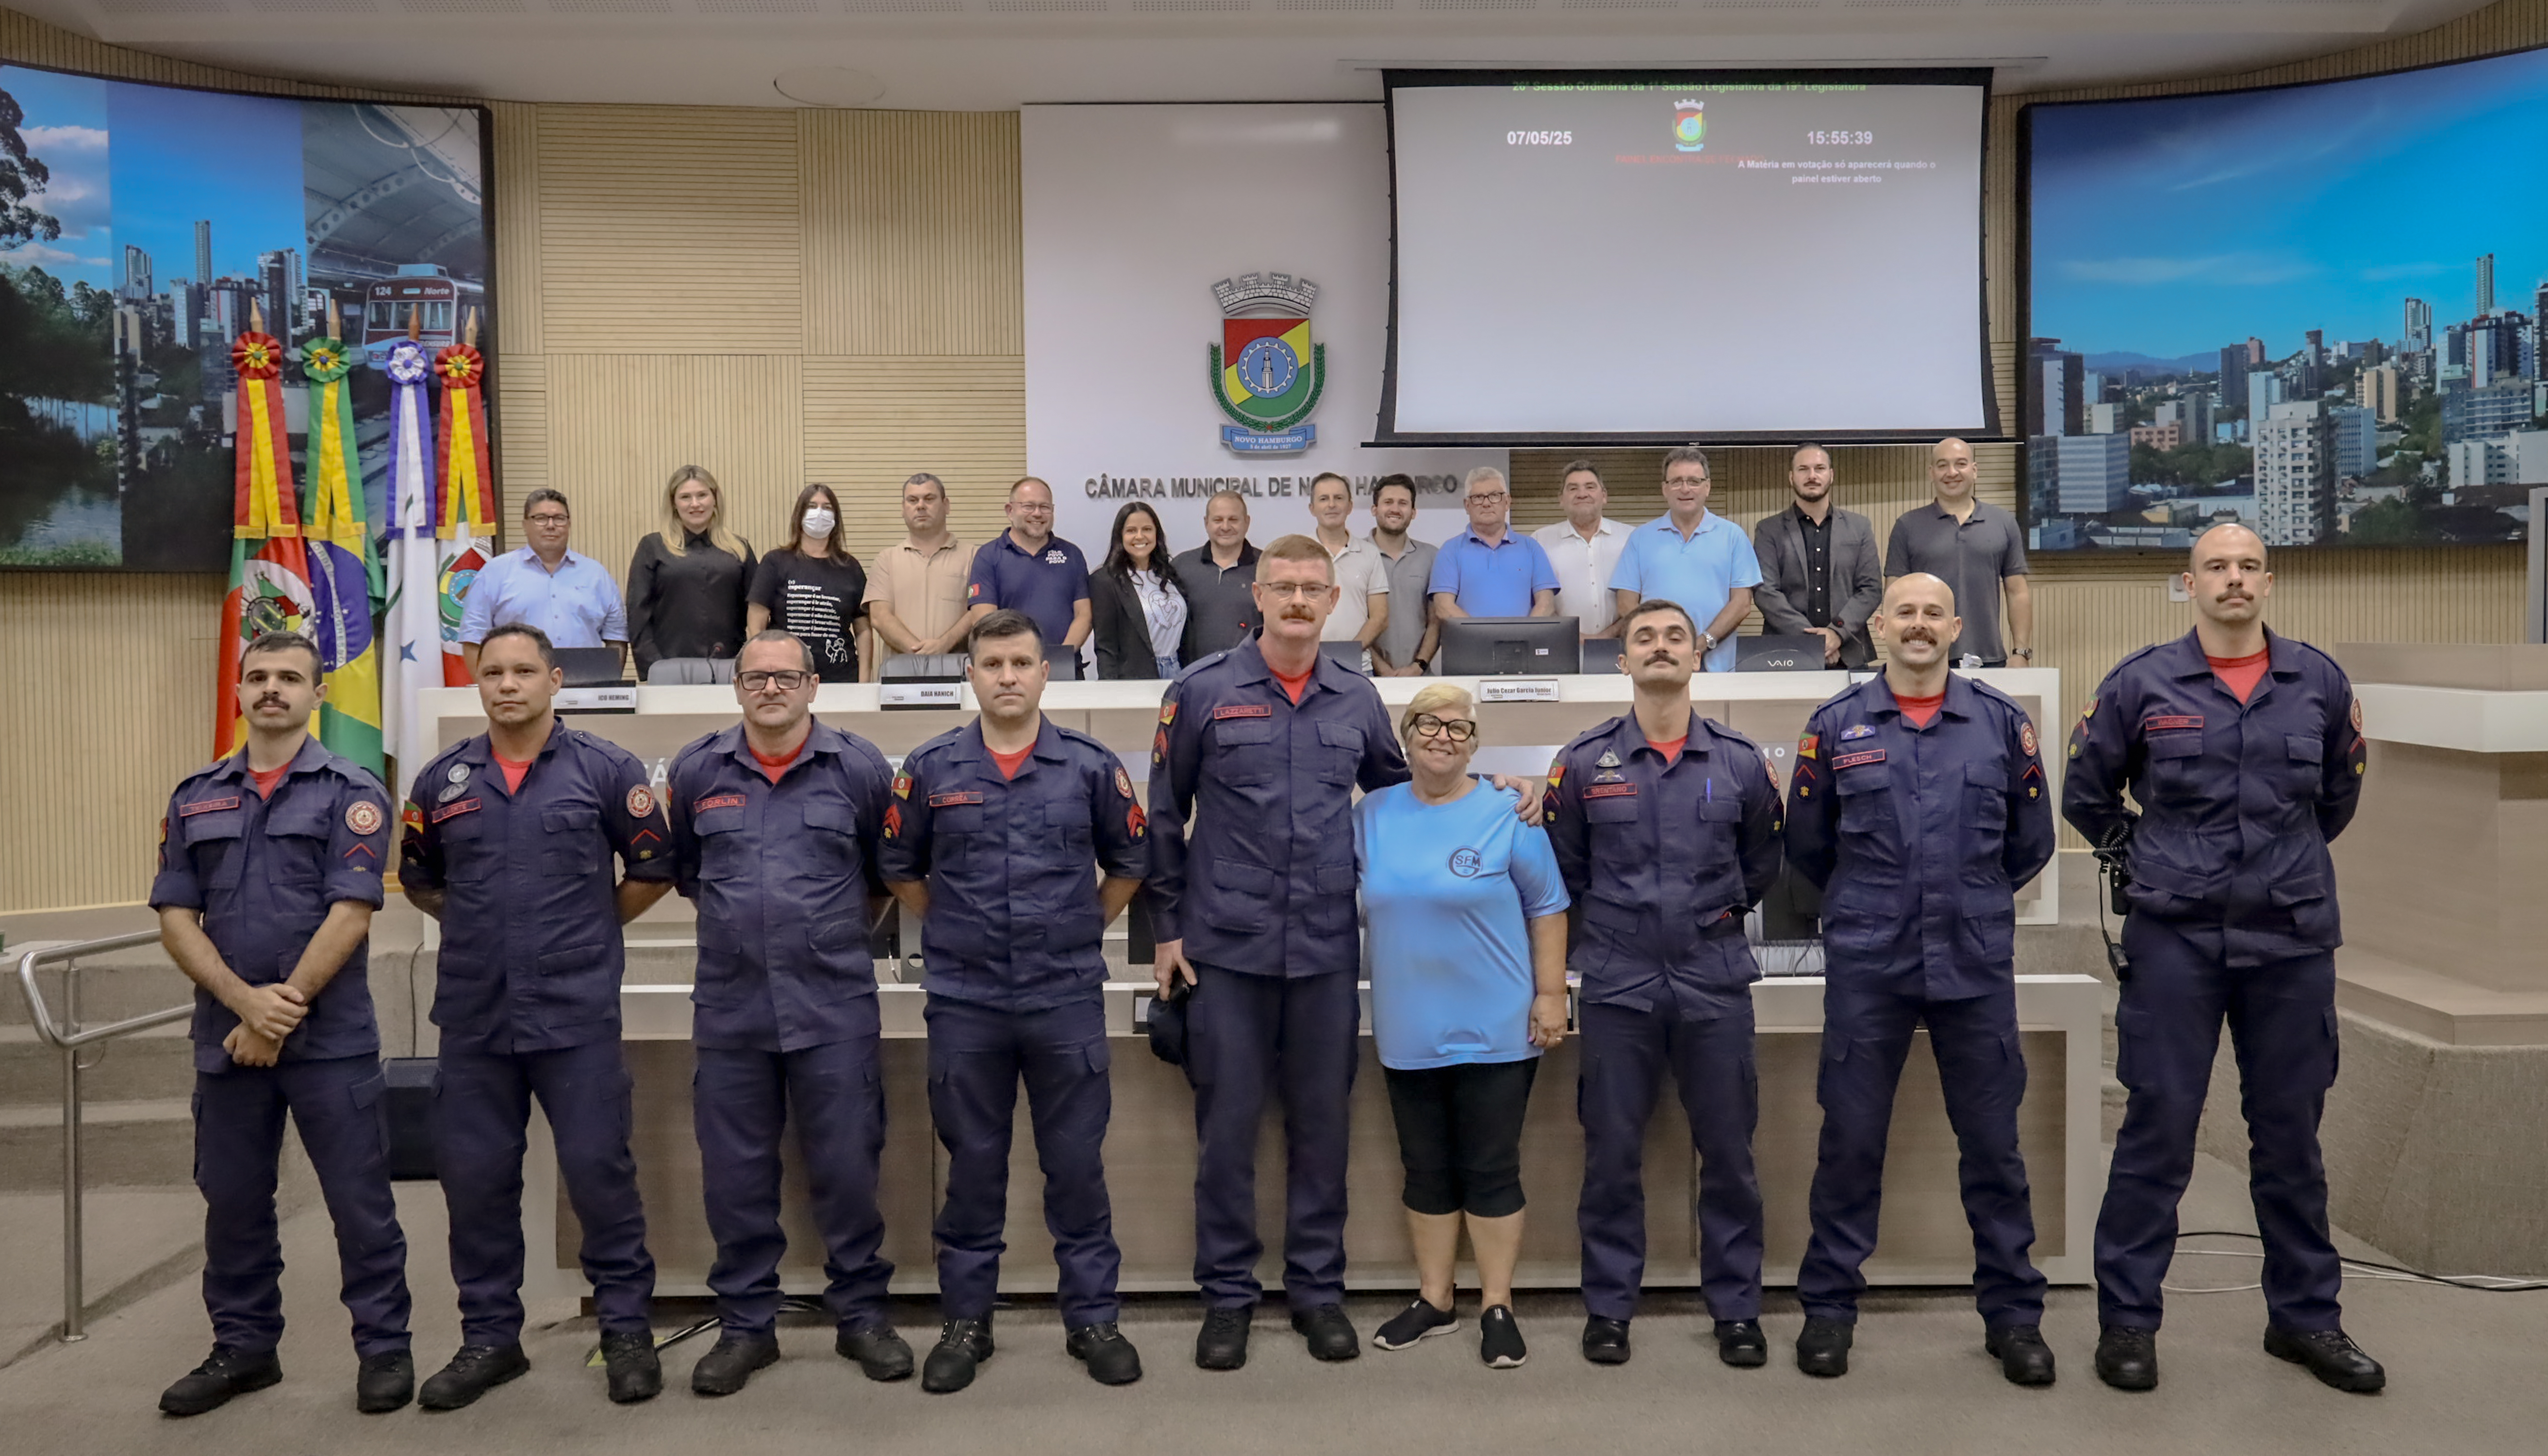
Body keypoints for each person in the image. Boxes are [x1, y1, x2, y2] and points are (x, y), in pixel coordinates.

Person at [2064, 523, 2381, 1396]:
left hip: (2290, 937)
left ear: (2267, 583)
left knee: (2290, 1138)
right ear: (2188, 583)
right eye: (2216, 568)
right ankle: (2129, 1322)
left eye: (2247, 567)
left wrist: (2277, 865)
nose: (2233, 580)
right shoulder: (2141, 684)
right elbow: (2087, 793)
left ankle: (2306, 1320)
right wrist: (2154, 856)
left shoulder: (2317, 682)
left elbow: (2338, 795)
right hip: (2176, 937)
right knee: (2157, 1130)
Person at [1783, 574, 2057, 1384]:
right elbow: (1809, 844)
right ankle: (1830, 1310)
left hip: (1973, 959)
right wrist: (1879, 901)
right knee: (1850, 1141)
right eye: (1904, 611)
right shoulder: (1836, 725)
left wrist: (1964, 899)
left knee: (1995, 1149)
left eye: (1934, 613)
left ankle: (2013, 1318)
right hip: (1870, 958)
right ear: (1880, 625)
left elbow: (2031, 840)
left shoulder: (2002, 725)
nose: (1919, 624)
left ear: (1956, 626)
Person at [1148, 533, 1408, 1370]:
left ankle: (1316, 1294)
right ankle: (1228, 1298)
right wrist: (1166, 929)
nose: (1298, 601)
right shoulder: (1201, 691)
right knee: (1227, 1132)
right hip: (1226, 949)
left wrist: (1487, 800)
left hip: (1328, 949)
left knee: (1322, 1130)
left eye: (1313, 588)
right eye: (1284, 587)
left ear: (1335, 601)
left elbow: (1403, 802)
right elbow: (1163, 814)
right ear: (1256, 597)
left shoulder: (1358, 698)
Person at [398, 623, 672, 1409]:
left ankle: (625, 1331)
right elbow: (419, 879)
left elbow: (652, 865)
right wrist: (486, 926)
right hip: (476, 1018)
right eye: (493, 673)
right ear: (478, 683)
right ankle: (490, 1338)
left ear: (556, 681)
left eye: (524, 671)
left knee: (600, 1175)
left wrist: (589, 925)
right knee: (477, 1184)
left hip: (576, 1012)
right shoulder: (442, 781)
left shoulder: (606, 770)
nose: (508, 684)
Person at [880, 610, 1150, 1392]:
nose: (1007, 676)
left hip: (1063, 994)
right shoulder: (930, 769)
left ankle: (1093, 1318)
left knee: (1075, 1165)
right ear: (970, 673)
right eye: (992, 662)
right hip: (966, 999)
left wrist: (1080, 925)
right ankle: (968, 1323)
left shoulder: (1091, 766)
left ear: (1044, 673)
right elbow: (901, 867)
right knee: (973, 1165)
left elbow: (1130, 860)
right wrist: (955, 925)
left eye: (1021, 662)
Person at [149, 631, 413, 1418]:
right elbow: (174, 914)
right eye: (259, 676)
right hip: (226, 1039)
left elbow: (353, 911)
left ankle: (384, 1350)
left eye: (290, 678)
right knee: (232, 1201)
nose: (273, 689)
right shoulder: (195, 794)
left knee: (360, 1204)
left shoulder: (352, 790)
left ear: (317, 694)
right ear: (238, 690)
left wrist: (278, 1011)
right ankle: (244, 1348)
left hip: (330, 1043)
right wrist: (245, 1005)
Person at [663, 631, 911, 1397]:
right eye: (755, 677)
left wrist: (817, 938)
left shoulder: (860, 768)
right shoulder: (698, 769)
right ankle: (746, 1327)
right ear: (737, 688)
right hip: (732, 1009)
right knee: (735, 1176)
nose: (770, 688)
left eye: (786, 676)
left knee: (846, 1166)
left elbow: (882, 879)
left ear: (813, 687)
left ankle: (862, 1317)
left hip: (831, 1004)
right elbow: (689, 874)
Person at [1542, 597, 1782, 1369]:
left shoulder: (1740, 762)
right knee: (1611, 1152)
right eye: (1642, 637)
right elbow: (1565, 870)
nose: (1659, 647)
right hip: (1619, 983)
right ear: (1622, 661)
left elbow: (1761, 869)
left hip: (1713, 978)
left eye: (1674, 636)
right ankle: (1609, 1307)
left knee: (1730, 1154)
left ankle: (1736, 1309)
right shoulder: (1581, 763)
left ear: (1696, 657)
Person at [1355, 683, 1570, 1370]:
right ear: (1405, 735)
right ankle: (1435, 1298)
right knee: (1425, 1170)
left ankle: (1497, 1304)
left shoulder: (1509, 810)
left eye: (1458, 727)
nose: (1442, 736)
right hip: (1407, 1025)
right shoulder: (1371, 815)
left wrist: (1548, 995)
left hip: (1499, 1025)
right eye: (1427, 723)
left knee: (1490, 1168)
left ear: (1475, 744)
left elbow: (1548, 907)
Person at [1884, 438, 2034, 668]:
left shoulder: (2004, 522)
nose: (1951, 472)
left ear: (1974, 471)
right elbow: (1894, 598)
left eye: (1961, 464)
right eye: (1943, 465)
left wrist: (2021, 652)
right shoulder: (1907, 526)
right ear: (1931, 473)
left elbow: (2017, 593)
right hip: (1923, 659)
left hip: (1990, 658)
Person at [1607, 447, 1760, 672]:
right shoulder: (1641, 538)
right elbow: (1626, 603)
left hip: (1718, 667)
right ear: (1665, 489)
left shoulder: (1732, 536)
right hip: (1656, 662)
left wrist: (1702, 643)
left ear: (1707, 487)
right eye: (1677, 481)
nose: (1686, 489)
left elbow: (1742, 604)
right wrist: (1659, 643)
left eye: (1694, 481)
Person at [458, 489, 627, 678]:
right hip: (516, 689)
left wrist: (607, 684)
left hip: (586, 687)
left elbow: (617, 638)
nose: (551, 525)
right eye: (540, 518)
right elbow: (473, 638)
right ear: (525, 525)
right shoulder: (494, 573)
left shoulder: (596, 575)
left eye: (559, 518)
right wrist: (487, 691)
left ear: (569, 524)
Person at [1752, 444, 1883, 669]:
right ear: (1792, 477)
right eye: (1803, 469)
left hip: (1848, 653)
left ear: (1831, 475)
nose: (1812, 476)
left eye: (1819, 468)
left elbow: (1871, 589)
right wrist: (1813, 641)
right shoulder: (1768, 530)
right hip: (1786, 654)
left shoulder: (1859, 527)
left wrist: (1837, 633)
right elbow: (1766, 592)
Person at [626, 464, 758, 680]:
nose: (695, 504)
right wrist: (655, 668)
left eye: (702, 495)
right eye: (686, 497)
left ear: (714, 499)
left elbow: (757, 612)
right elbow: (638, 615)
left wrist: (748, 663)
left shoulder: (739, 548)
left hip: (730, 671)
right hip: (669, 670)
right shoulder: (653, 547)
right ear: (674, 504)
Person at [747, 482, 869, 683]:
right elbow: (755, 623)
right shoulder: (775, 561)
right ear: (800, 514)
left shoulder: (850, 567)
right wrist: (761, 670)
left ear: (836, 518)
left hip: (841, 678)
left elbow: (863, 629)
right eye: (812, 506)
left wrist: (865, 679)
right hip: (784, 677)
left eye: (827, 508)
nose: (820, 513)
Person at [864, 473, 976, 675]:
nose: (921, 506)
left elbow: (978, 611)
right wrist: (921, 653)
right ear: (903, 508)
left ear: (947, 505)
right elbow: (880, 617)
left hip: (959, 677)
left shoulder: (974, 557)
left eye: (930, 499)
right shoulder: (886, 560)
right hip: (900, 678)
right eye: (913, 500)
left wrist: (944, 645)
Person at [963, 477, 1091, 653]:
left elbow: (1084, 615)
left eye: (1045, 507)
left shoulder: (1072, 554)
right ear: (1010, 511)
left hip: (1066, 668)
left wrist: (1062, 657)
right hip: (1011, 669)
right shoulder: (988, 556)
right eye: (1029, 506)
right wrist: (1020, 660)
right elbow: (984, 620)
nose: (1037, 513)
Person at [1429, 466, 1557, 622]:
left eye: (1495, 496)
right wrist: (1487, 639)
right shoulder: (1450, 551)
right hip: (1470, 645)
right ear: (1467, 506)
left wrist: (1521, 637)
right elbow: (1444, 608)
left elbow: (1546, 605)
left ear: (1507, 502)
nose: (1486, 503)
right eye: (1477, 497)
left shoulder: (1532, 548)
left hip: (1522, 644)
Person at [1087, 501, 1191, 680]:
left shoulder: (1170, 574)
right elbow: (1106, 647)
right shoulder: (1105, 581)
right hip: (1134, 678)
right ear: (1120, 536)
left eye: (1147, 529)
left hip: (1177, 672)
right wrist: (1108, 691)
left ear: (1157, 534)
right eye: (1131, 531)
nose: (1140, 536)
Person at [1530, 461, 1626, 639]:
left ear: (1604, 495)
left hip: (1620, 644)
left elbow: (1640, 599)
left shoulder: (1630, 538)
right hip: (1559, 643)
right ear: (1561, 499)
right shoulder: (1539, 541)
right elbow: (1537, 601)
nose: (1582, 494)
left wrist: (1608, 635)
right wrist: (1572, 635)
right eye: (1573, 489)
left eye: (1590, 487)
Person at [1307, 472, 1390, 663]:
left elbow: (1380, 616)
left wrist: (1348, 654)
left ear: (1350, 506)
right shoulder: (1299, 552)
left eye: (1339, 498)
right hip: (1307, 664)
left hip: (1358, 664)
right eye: (1323, 499)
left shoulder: (1369, 553)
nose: (1332, 505)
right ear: (1312, 508)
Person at [1170, 490, 1261, 659]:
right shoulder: (1181, 566)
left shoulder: (1268, 567)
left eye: (1233, 519)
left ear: (1247, 522)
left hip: (1252, 678)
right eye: (1218, 520)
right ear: (1206, 523)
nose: (1225, 527)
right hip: (1194, 676)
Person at [1367, 474, 1440, 677]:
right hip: (1367, 677)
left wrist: (1419, 666)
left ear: (1414, 512)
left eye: (1403, 503)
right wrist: (1381, 668)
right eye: (1388, 502)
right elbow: (1354, 622)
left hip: (1421, 678)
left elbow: (1436, 621)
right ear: (1374, 509)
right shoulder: (1358, 555)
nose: (1395, 509)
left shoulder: (1432, 556)